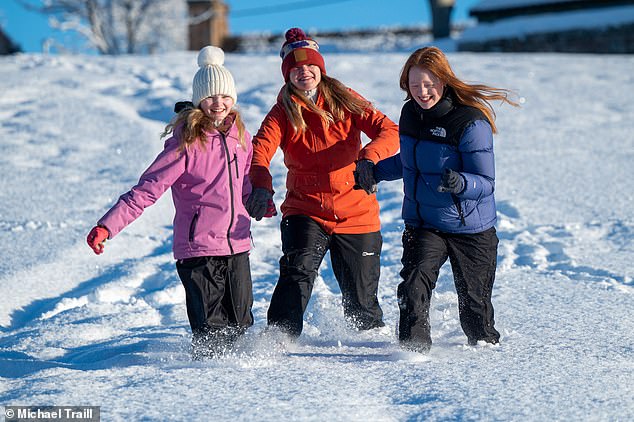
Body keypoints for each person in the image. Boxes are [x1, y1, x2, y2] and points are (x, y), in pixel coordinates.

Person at [86, 46, 263, 359]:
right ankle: (205, 386)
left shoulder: (240, 137)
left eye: (224, 97)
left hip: (237, 246)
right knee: (211, 333)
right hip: (199, 251)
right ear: (199, 100)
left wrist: (259, 202)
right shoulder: (186, 142)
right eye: (210, 97)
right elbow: (147, 189)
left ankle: (241, 393)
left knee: (241, 325)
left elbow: (245, 183)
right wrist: (107, 226)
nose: (218, 104)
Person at [245, 28, 400, 338]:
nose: (304, 72)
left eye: (310, 65)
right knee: (297, 271)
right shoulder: (282, 113)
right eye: (296, 67)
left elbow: (390, 131)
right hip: (306, 209)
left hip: (357, 211)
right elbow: (259, 150)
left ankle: (368, 346)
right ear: (287, 74)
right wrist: (261, 185)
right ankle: (279, 338)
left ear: (320, 68)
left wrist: (369, 158)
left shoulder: (346, 99)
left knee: (362, 300)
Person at [373, 46, 519, 352]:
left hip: (471, 228)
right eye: (415, 86)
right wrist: (375, 171)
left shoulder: (469, 121)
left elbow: (486, 183)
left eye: (429, 84)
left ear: (444, 81)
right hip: (426, 222)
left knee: (476, 312)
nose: (422, 92)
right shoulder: (410, 115)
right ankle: (412, 355)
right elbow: (410, 161)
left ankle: (485, 364)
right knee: (413, 285)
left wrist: (461, 182)